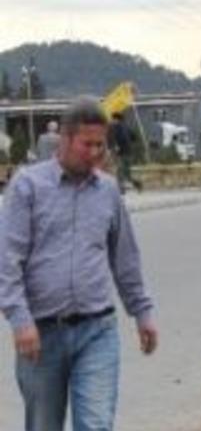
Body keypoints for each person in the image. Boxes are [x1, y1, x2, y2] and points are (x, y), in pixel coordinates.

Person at [0, 97, 157, 431]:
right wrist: (20, 319)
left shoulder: (109, 192)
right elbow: (7, 261)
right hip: (41, 334)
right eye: (88, 144)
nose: (96, 152)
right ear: (66, 140)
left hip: (97, 331)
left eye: (101, 144)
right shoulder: (28, 187)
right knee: (43, 425)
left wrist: (142, 312)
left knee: (96, 424)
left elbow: (124, 257)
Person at [108, 113, 142, 194]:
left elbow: (117, 138)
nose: (112, 120)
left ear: (116, 119)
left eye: (113, 119)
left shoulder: (116, 127)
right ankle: (137, 184)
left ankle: (121, 189)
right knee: (126, 173)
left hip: (121, 152)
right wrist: (129, 143)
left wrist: (117, 146)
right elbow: (134, 137)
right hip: (128, 152)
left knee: (120, 171)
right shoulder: (126, 127)